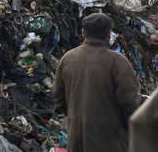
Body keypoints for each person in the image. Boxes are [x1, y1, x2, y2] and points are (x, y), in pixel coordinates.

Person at [53, 13, 142, 152]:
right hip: (109, 141)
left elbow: (59, 98)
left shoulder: (67, 59)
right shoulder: (118, 62)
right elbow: (130, 103)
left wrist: (77, 116)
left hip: (77, 140)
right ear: (109, 34)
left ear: (83, 33)